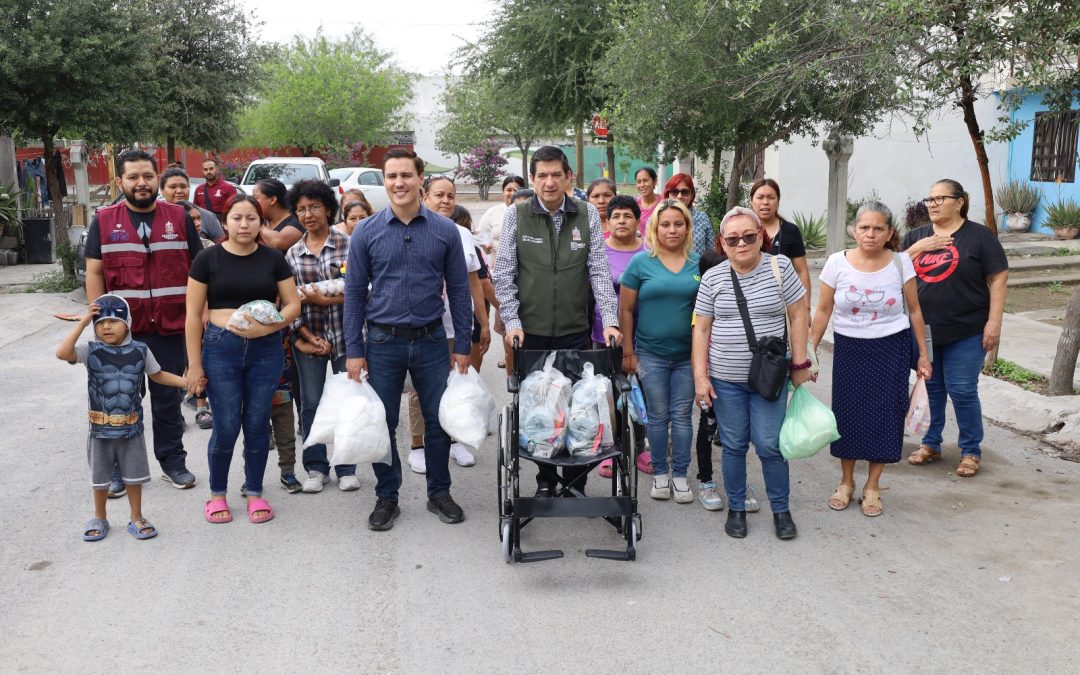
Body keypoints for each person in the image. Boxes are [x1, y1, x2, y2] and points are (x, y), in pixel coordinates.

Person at [343, 148, 473, 531]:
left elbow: (460, 291)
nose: (399, 183)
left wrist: (463, 345)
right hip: (383, 341)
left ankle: (439, 493)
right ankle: (387, 496)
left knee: (437, 419)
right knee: (382, 422)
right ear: (384, 181)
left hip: (432, 340)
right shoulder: (367, 231)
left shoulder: (444, 230)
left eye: (406, 175)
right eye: (391, 176)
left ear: (421, 180)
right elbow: (353, 293)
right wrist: (354, 350)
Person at [492, 145, 622, 497]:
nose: (549, 182)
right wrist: (512, 321)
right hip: (530, 333)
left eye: (556, 175)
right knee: (539, 409)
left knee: (577, 406)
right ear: (532, 179)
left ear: (568, 177)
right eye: (542, 176)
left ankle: (575, 479)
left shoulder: (586, 214)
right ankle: (547, 480)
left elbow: (597, 271)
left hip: (574, 330)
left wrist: (609, 319)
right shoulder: (517, 215)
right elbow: (503, 274)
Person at [84, 148, 201, 493]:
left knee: (167, 400)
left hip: (169, 326)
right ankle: (118, 470)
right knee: (118, 403)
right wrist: (100, 322)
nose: (141, 183)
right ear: (119, 181)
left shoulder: (177, 217)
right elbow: (94, 272)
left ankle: (173, 463)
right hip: (121, 334)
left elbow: (198, 270)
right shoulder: (104, 220)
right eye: (133, 177)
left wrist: (201, 315)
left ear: (157, 179)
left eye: (147, 176)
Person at [692, 206, 812, 540]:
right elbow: (701, 329)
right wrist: (701, 378)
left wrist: (800, 363)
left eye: (749, 236)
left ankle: (780, 509)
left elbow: (799, 314)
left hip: (769, 377)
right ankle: (737, 509)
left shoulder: (780, 266)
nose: (741, 243)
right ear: (723, 243)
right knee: (732, 445)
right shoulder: (713, 277)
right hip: (725, 378)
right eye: (733, 239)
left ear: (761, 236)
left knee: (770, 444)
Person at [185, 195, 301, 524]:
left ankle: (254, 492)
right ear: (225, 222)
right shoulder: (206, 260)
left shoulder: (273, 259)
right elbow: (193, 316)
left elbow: (292, 305)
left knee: (255, 424)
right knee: (225, 425)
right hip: (221, 348)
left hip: (266, 349)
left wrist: (269, 325)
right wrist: (194, 364)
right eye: (237, 218)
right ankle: (217, 494)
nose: (244, 224)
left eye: (252, 218)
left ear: (261, 223)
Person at [811, 202, 932, 516]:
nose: (870, 234)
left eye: (878, 228)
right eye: (864, 227)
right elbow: (822, 310)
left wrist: (923, 355)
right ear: (854, 229)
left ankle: (873, 486)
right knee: (847, 415)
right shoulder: (837, 262)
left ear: (890, 232)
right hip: (850, 349)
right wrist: (808, 352)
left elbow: (915, 310)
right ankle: (847, 482)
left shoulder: (901, 262)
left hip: (891, 349)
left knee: (886, 416)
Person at [56, 295, 187, 541]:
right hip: (99, 430)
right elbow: (63, 353)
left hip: (131, 429)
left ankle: (136, 516)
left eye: (114, 321)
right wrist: (83, 323)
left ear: (127, 323)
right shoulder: (90, 350)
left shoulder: (140, 350)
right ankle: (99, 516)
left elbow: (158, 375)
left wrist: (186, 382)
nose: (106, 327)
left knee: (134, 476)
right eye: (100, 322)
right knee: (100, 477)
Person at [903, 179, 1008, 478]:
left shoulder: (979, 237)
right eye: (930, 198)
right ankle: (931, 444)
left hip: (967, 328)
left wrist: (994, 322)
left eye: (940, 198)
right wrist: (917, 248)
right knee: (932, 388)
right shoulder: (917, 236)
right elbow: (890, 267)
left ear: (959, 201)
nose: (933, 204)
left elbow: (998, 278)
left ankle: (971, 450)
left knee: (962, 390)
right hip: (926, 331)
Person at [401, 176, 487, 473]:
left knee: (457, 383)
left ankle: (455, 439)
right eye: (439, 195)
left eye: (451, 195)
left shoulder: (462, 233)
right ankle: (417, 444)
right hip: (424, 325)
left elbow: (475, 283)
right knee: (420, 388)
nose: (446, 201)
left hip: (456, 324)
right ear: (424, 195)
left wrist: (483, 323)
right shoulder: (411, 230)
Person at [620, 199, 701, 503]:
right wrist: (628, 351)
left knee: (681, 416)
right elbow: (625, 309)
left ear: (687, 227)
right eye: (665, 224)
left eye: (678, 224)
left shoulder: (697, 264)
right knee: (656, 417)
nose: (672, 230)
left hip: (687, 356)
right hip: (650, 354)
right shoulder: (640, 263)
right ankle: (660, 474)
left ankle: (679, 474)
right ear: (654, 227)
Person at [285, 180, 357, 493]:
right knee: (311, 403)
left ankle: (347, 467)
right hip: (309, 336)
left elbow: (364, 290)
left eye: (314, 207)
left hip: (346, 336)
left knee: (346, 402)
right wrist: (303, 333)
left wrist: (330, 300)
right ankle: (315, 467)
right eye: (301, 209)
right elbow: (288, 301)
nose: (308, 214)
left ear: (328, 208)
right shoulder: (292, 253)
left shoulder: (349, 245)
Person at [593, 195, 650, 479]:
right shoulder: (597, 252)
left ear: (638, 220)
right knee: (606, 392)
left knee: (640, 393)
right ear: (607, 221)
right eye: (616, 216)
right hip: (603, 334)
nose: (622, 221)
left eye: (628, 216)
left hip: (643, 334)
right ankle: (608, 451)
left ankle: (640, 447)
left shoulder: (650, 252)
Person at [750, 179, 813, 316]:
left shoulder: (790, 231)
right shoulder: (743, 230)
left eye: (771, 197)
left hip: (783, 305)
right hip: (749, 303)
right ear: (751, 201)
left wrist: (806, 309)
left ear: (778, 201)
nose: (765, 202)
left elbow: (801, 271)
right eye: (760, 197)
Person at [452, 204, 498, 372]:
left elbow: (479, 283)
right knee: (468, 374)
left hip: (468, 318)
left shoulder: (469, 246)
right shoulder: (468, 246)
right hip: (467, 319)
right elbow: (483, 284)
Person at [160, 167, 224, 242]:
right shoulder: (155, 215)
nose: (179, 191)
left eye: (183, 186)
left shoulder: (207, 217)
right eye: (173, 187)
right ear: (161, 190)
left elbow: (222, 248)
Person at [476, 175, 525, 262]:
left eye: (516, 190)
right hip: (499, 265)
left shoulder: (529, 213)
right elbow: (480, 233)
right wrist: (485, 245)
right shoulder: (492, 212)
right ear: (503, 191)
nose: (512, 193)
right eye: (509, 190)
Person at [663, 173, 714, 258]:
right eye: (674, 192)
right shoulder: (657, 219)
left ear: (692, 195)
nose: (679, 196)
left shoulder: (702, 218)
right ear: (668, 194)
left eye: (685, 192)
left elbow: (711, 250)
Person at [254, 178, 304, 251]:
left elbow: (279, 242)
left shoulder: (297, 221)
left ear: (272, 200)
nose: (252, 202)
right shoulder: (263, 221)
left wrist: (257, 225)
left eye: (255, 198)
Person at [634, 167, 660, 234]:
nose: (642, 185)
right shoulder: (634, 205)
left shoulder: (664, 203)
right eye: (639, 182)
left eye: (645, 180)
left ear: (654, 182)